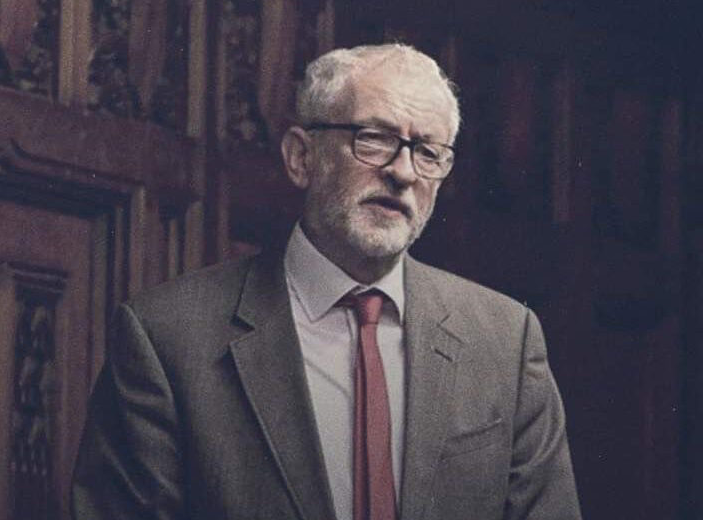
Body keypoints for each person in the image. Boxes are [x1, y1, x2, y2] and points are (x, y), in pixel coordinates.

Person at [72, 43, 581, 520]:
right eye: (374, 139)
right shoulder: (168, 338)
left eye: (428, 152)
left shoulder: (505, 341)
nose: (404, 172)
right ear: (301, 157)